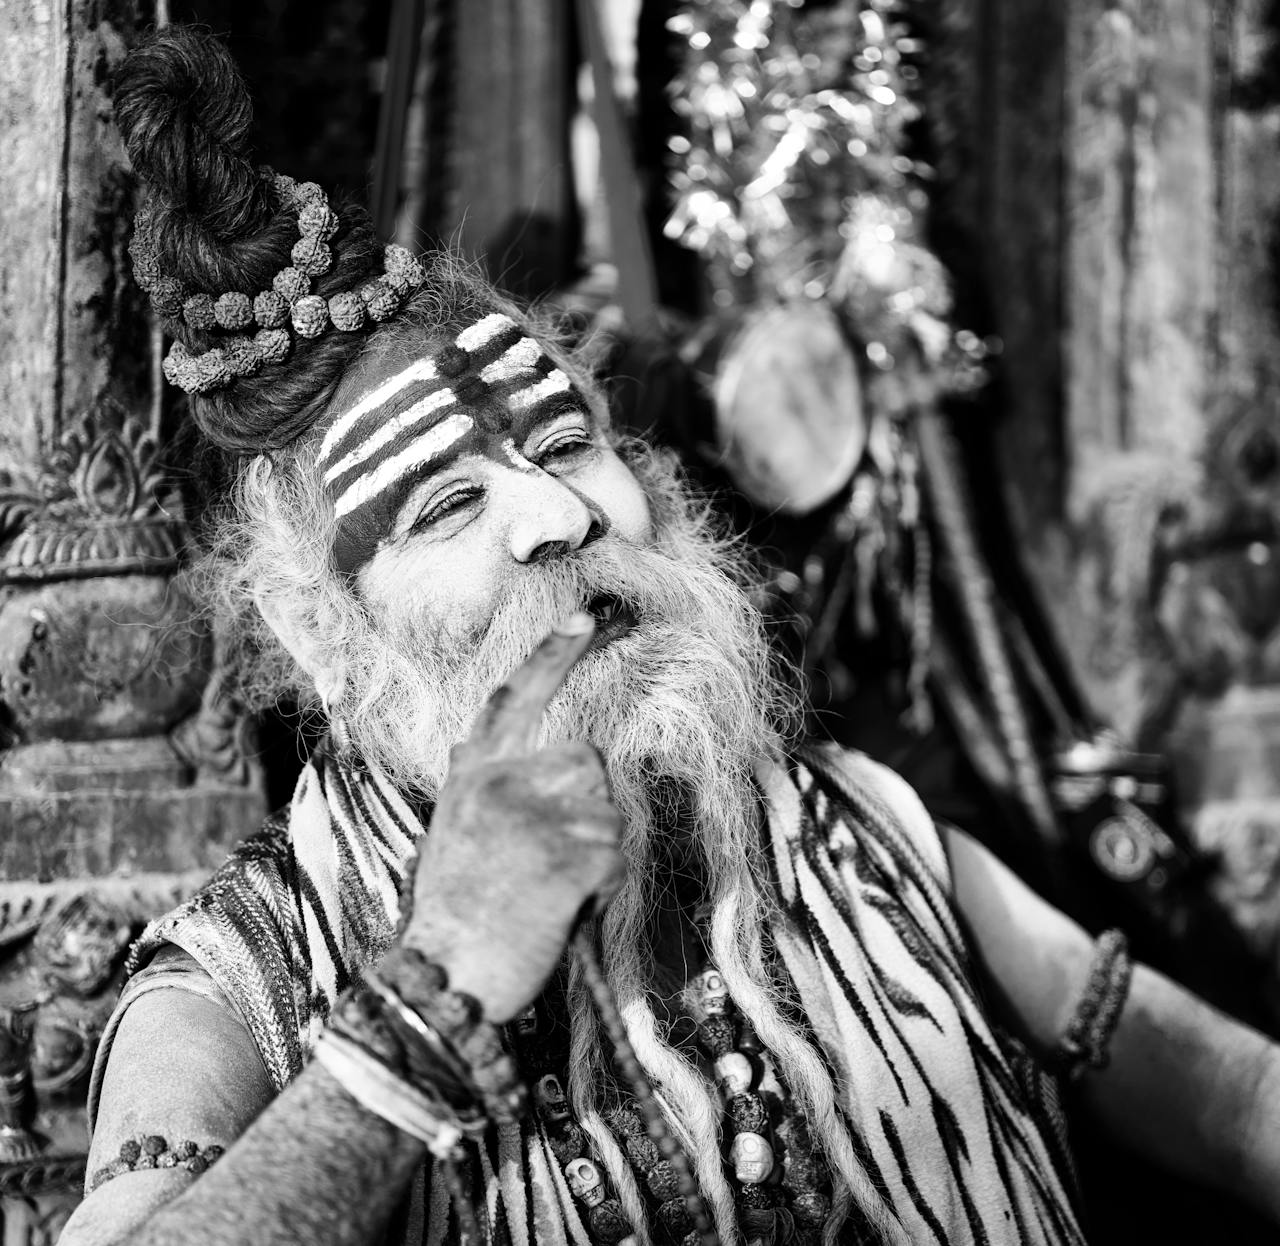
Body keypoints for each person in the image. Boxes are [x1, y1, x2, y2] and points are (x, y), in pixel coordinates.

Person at [61, 28, 1280, 1246]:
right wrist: (435, 988)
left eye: (564, 444)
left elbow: (1230, 1101)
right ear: (322, 633)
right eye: (443, 506)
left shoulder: (850, 831)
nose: (560, 514)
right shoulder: (240, 980)